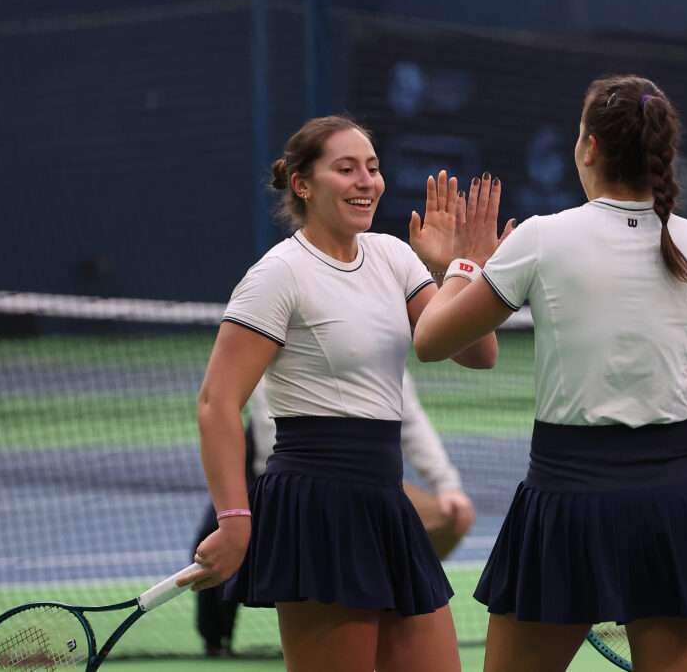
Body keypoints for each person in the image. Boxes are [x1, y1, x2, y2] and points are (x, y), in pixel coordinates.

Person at [412, 75, 687, 672]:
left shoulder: (539, 240)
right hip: (679, 508)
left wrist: (461, 263)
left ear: (589, 149)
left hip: (566, 507)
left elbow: (430, 341)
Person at [180, 115, 497, 672]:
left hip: (385, 500)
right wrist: (233, 518)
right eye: (345, 169)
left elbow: (476, 351)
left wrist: (457, 269)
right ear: (302, 184)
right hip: (317, 507)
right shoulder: (278, 274)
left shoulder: (396, 258)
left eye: (372, 168)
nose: (366, 182)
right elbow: (217, 402)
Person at [191, 373, 476, 657]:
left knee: (452, 517)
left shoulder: (389, 351)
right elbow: (246, 421)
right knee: (215, 547)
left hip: (370, 484)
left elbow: (413, 421)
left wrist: (447, 485)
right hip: (281, 479)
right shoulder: (284, 349)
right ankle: (216, 639)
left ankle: (384, 602)